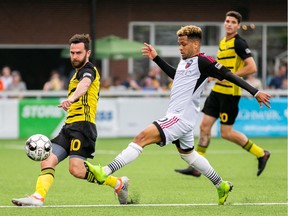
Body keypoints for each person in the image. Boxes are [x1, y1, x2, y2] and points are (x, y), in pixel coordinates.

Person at [84, 25, 271, 205]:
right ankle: (221, 185)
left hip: (179, 118)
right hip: (183, 119)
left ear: (195, 45)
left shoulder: (204, 61)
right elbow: (177, 75)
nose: (180, 48)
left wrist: (255, 92)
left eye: (183, 44)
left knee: (140, 138)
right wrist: (156, 58)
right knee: (189, 156)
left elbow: (229, 75)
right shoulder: (185, 62)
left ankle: (105, 171)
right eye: (179, 44)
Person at [12, 34, 129, 206]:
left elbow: (86, 84)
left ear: (87, 53)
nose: (74, 56)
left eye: (78, 53)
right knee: (47, 159)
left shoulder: (88, 70)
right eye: (72, 53)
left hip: (83, 126)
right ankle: (38, 197)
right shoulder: (75, 74)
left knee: (76, 170)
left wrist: (72, 98)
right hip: (69, 127)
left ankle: (117, 183)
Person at [175, 11, 271, 178]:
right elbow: (220, 67)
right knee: (204, 127)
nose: (229, 24)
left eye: (233, 22)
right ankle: (198, 166)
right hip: (216, 92)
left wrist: (230, 77)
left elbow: (252, 68)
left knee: (226, 133)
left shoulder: (239, 43)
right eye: (227, 21)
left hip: (230, 95)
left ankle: (261, 153)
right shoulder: (223, 41)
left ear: (238, 26)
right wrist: (214, 75)